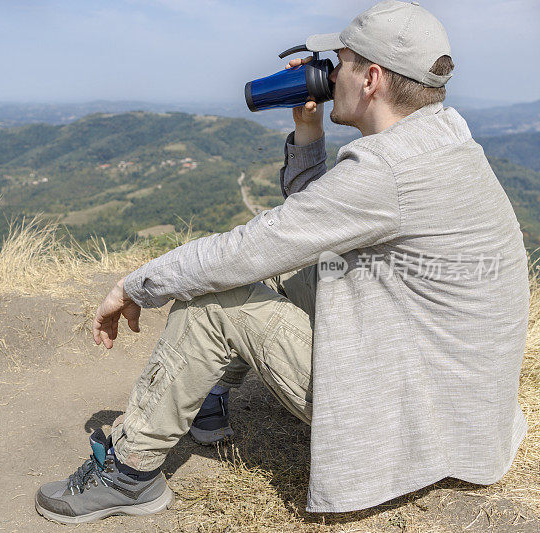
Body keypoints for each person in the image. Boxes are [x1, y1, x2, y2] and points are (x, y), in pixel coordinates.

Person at [34, 0, 530, 524]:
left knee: (217, 300)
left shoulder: (388, 170)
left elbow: (249, 247)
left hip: (404, 416)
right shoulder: (443, 135)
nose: (329, 74)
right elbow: (311, 224)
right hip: (456, 401)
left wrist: (135, 286)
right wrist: (308, 132)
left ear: (372, 79)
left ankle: (128, 474)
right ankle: (203, 393)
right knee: (285, 262)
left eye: (340, 63)